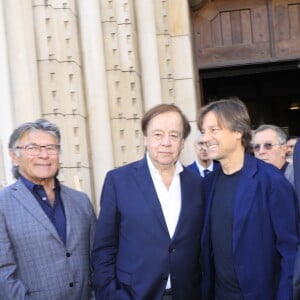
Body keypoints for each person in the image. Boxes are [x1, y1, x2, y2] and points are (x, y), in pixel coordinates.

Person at [92, 104, 204, 300]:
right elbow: (104, 248)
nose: (166, 142)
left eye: (174, 135)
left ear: (183, 142)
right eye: (158, 134)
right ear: (145, 138)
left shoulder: (198, 185)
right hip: (133, 295)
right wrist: (111, 294)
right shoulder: (118, 181)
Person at [198, 98, 298, 300]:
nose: (205, 138)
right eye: (203, 131)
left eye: (213, 130)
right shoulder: (208, 184)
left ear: (238, 132)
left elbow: (291, 251)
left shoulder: (271, 181)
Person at [0, 119, 97, 300]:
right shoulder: (3, 204)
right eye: (33, 148)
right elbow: (3, 274)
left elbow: (97, 259)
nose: (44, 155)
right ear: (14, 156)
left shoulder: (81, 201)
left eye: (51, 148)